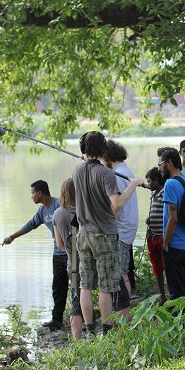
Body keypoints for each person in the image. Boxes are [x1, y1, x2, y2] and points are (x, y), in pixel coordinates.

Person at [73, 132, 143, 336]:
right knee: (106, 285)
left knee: (85, 285)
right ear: (103, 149)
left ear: (83, 150)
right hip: (104, 235)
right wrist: (133, 185)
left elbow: (87, 166)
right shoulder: (107, 174)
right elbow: (117, 203)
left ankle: (89, 329)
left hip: (83, 234)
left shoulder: (77, 170)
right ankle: (107, 329)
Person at [3, 180, 68, 331]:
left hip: (70, 251)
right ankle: (57, 320)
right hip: (57, 253)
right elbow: (30, 225)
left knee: (78, 286)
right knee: (58, 287)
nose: (31, 197)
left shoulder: (59, 204)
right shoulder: (42, 211)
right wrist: (12, 237)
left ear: (39, 193)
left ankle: (82, 317)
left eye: (32, 193)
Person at [103, 140, 138, 320]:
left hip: (121, 230)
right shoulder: (125, 171)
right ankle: (123, 313)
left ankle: (124, 315)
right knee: (123, 271)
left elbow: (116, 207)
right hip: (128, 229)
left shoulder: (117, 176)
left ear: (108, 156)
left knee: (120, 273)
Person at [158, 147, 185, 299]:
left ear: (169, 162)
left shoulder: (170, 184)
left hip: (175, 245)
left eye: (161, 164)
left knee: (176, 292)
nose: (159, 168)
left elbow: (173, 218)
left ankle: (178, 322)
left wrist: (165, 243)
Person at [52, 178, 83, 339]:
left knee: (76, 300)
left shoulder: (57, 214)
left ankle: (77, 340)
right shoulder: (85, 210)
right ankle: (97, 331)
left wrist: (71, 250)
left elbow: (59, 244)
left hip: (72, 262)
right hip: (90, 260)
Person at [144, 166, 167, 304]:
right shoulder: (153, 195)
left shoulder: (165, 193)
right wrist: (149, 220)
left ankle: (172, 293)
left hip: (162, 236)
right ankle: (162, 295)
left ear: (156, 180)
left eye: (149, 181)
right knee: (156, 266)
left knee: (167, 265)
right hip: (152, 235)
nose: (147, 184)